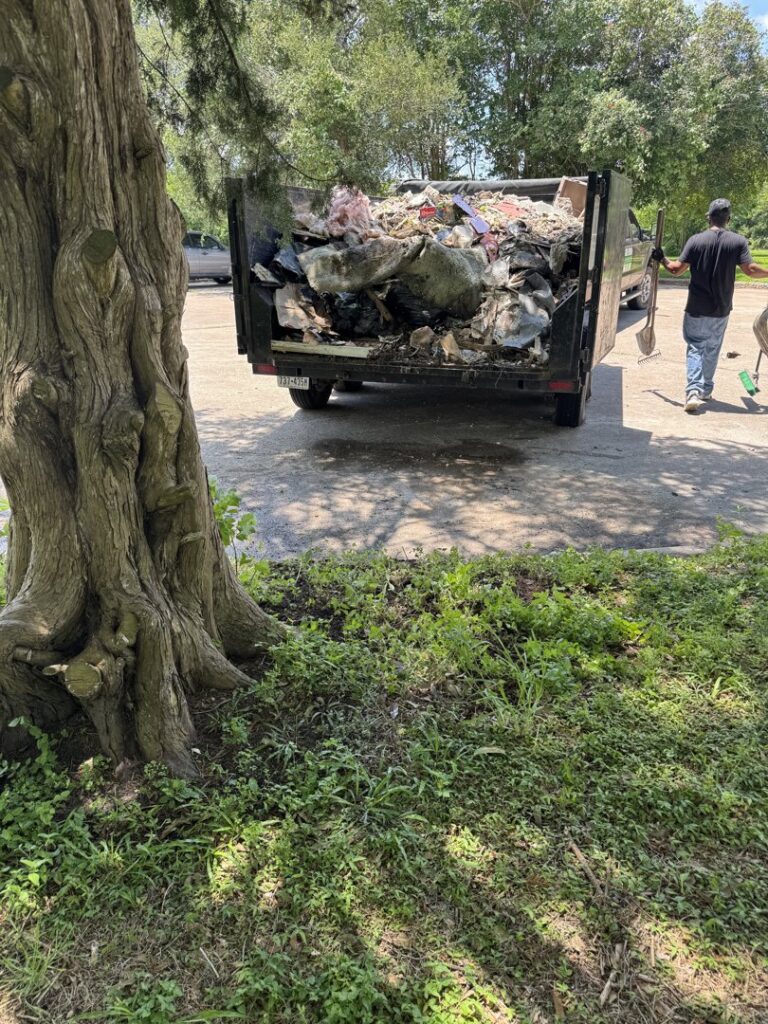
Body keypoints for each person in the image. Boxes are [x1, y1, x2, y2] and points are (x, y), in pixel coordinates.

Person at [652, 199, 768, 413]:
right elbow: (750, 269)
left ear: (709, 218)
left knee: (696, 346)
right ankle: (705, 389)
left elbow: (677, 269)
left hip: (696, 307)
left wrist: (662, 259)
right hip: (721, 308)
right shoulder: (738, 242)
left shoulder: (696, 241)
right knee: (712, 348)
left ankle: (694, 391)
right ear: (728, 219)